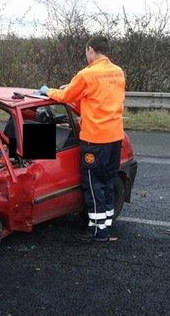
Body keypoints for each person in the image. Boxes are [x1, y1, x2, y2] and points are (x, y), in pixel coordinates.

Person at [39, 36, 125, 242]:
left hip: (95, 139)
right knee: (107, 181)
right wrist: (71, 88)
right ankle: (107, 224)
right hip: (115, 137)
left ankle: (97, 231)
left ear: (90, 50)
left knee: (94, 184)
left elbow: (64, 97)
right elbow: (98, 95)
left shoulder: (87, 74)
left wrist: (47, 91)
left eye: (86, 51)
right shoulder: (117, 71)